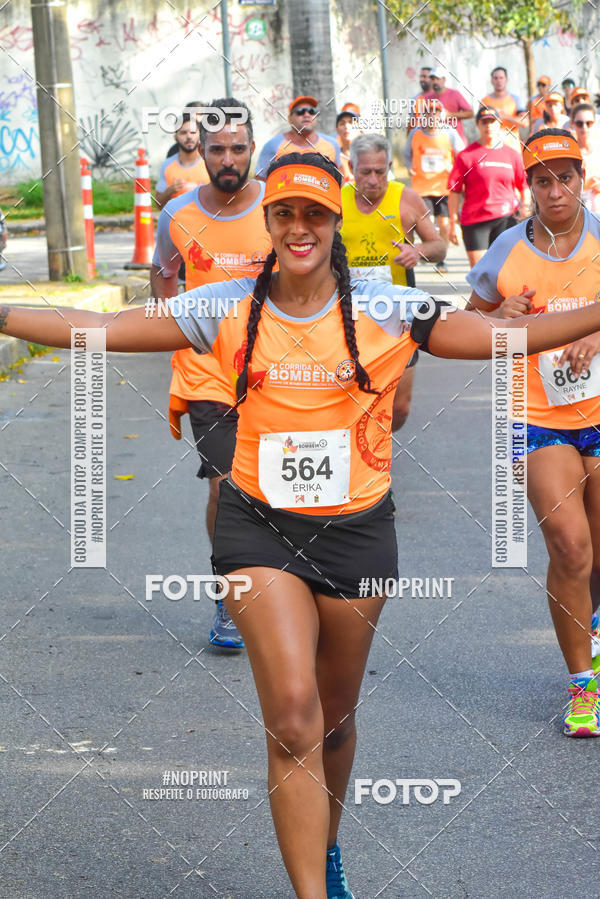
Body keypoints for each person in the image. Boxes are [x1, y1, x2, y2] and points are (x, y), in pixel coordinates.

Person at [6, 153, 600, 896]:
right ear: (270, 221)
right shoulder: (224, 304)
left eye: (314, 213)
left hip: (358, 536)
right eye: (284, 212)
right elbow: (99, 324)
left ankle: (326, 845)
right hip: (259, 532)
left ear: (334, 223)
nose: (298, 227)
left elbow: (498, 341)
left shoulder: (385, 307)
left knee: (335, 721)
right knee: (292, 717)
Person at [466, 128, 600, 737]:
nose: (555, 191)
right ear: (529, 186)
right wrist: (499, 315)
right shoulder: (507, 251)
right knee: (570, 547)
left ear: (581, 178)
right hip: (538, 415)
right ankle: (582, 689)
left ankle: (591, 621)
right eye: (542, 180)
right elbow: (469, 323)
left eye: (564, 177)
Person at [151, 98, 272, 648]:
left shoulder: (278, 204)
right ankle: (229, 596)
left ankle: (283, 583)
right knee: (227, 486)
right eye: (217, 148)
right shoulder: (177, 213)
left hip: (278, 367)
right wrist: (173, 320)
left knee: (273, 484)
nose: (228, 159)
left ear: (252, 149)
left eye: (238, 148)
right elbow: (163, 275)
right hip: (206, 372)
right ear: (200, 147)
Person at [342, 132, 446, 430]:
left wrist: (419, 250)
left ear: (389, 165)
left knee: (399, 408)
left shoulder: (406, 198)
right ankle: (363, 455)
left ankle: (378, 437)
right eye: (365, 172)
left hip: (398, 316)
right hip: (350, 315)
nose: (374, 180)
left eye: (380, 171)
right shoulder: (337, 200)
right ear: (352, 167)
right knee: (352, 395)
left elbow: (439, 246)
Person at [448, 107, 531, 268]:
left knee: (505, 271)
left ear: (499, 124)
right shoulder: (466, 156)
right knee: (481, 274)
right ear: (478, 125)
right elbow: (454, 191)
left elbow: (523, 185)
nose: (488, 126)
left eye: (492, 122)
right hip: (475, 220)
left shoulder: (512, 155)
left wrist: (526, 206)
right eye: (484, 122)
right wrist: (453, 223)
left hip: (506, 219)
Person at [404, 98, 465, 267]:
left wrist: (453, 167)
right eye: (428, 112)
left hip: (444, 187)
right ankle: (426, 251)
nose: (432, 115)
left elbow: (462, 156)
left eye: (435, 112)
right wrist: (409, 167)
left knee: (444, 225)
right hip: (422, 187)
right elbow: (406, 153)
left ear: (441, 115)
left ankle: (441, 257)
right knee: (426, 221)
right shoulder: (415, 133)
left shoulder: (450, 133)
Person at [255, 95, 340, 179]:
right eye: (300, 111)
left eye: (312, 111)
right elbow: (261, 181)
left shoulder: (332, 144)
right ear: (290, 118)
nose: (307, 115)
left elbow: (339, 177)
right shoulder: (273, 146)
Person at [155, 113, 209, 208]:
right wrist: (169, 191)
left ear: (200, 135)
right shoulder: (167, 165)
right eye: (183, 133)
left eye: (193, 132)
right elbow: (158, 204)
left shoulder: (209, 162)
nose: (189, 136)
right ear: (175, 137)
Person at [480, 66, 527, 150]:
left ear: (506, 80)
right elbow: (480, 124)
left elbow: (525, 122)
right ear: (491, 81)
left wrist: (502, 116)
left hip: (512, 148)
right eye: (496, 78)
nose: (499, 81)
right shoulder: (485, 101)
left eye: (501, 78)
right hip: (492, 148)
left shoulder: (516, 99)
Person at [423, 67, 473, 142]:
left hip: (456, 139)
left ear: (444, 79)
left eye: (438, 78)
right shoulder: (427, 97)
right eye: (433, 79)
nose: (435, 82)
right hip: (436, 141)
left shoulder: (454, 94)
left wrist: (450, 115)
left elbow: (470, 113)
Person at [571, 103, 600, 212]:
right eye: (579, 123)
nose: (584, 127)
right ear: (572, 124)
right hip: (580, 208)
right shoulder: (570, 153)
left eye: (589, 123)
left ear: (595, 123)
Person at [335, 104, 360, 183]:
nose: (346, 126)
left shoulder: (372, 154)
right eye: (342, 123)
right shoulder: (333, 158)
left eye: (351, 122)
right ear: (337, 130)